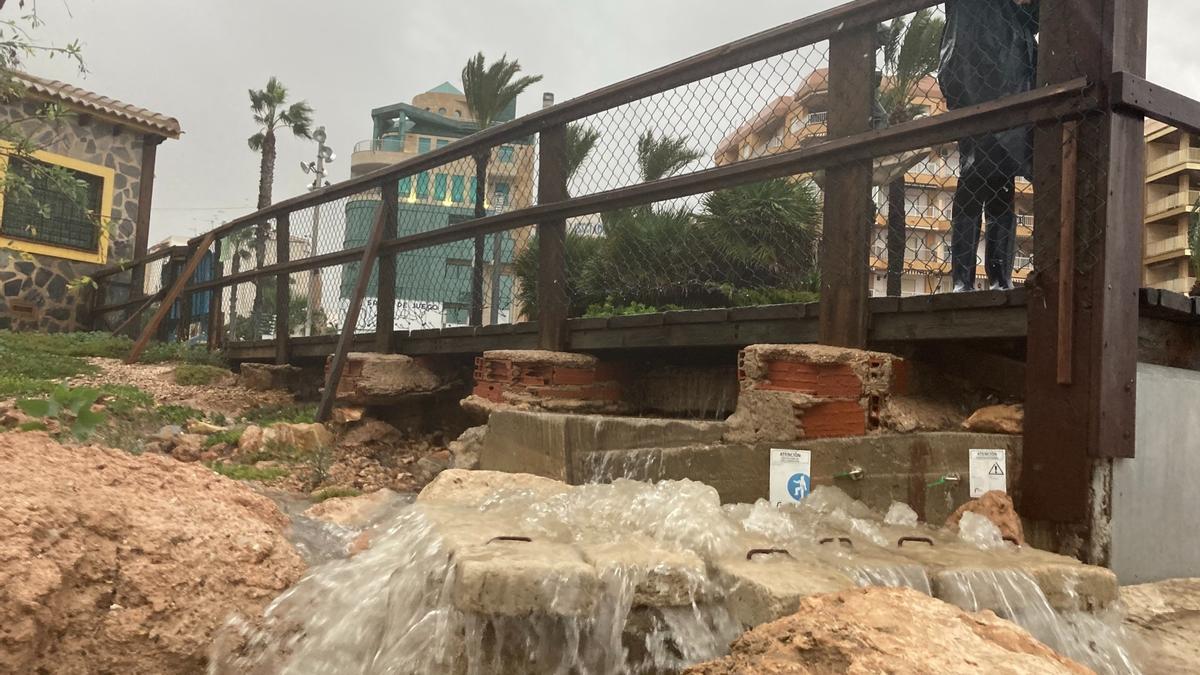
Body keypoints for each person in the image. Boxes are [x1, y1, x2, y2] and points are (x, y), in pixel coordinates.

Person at [938, 0, 1039, 291]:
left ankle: (991, 278)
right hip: (977, 68)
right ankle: (973, 279)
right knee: (978, 175)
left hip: (1005, 71)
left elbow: (1034, 16)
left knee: (997, 176)